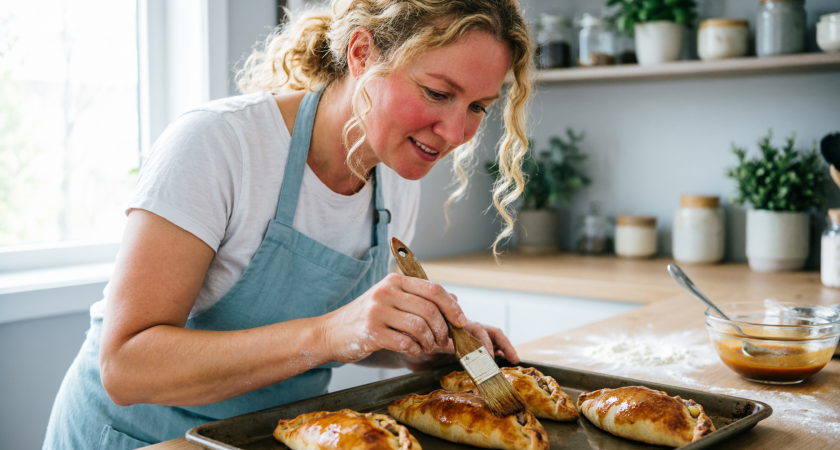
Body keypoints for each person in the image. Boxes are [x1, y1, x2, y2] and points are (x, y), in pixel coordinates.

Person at [43, 0, 533, 448]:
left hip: (260, 437)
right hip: (136, 437)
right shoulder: (219, 146)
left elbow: (339, 334)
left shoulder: (397, 177)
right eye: (437, 92)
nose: (455, 134)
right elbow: (125, 367)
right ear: (361, 53)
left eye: (477, 108)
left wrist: (410, 345)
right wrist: (329, 332)